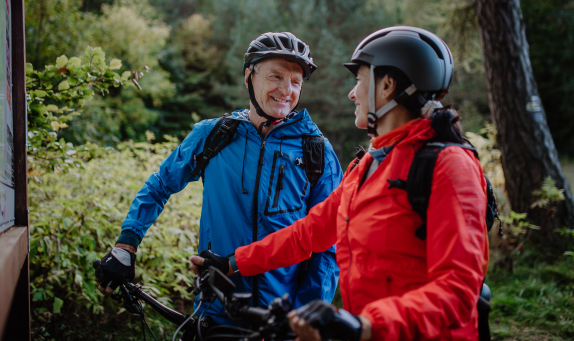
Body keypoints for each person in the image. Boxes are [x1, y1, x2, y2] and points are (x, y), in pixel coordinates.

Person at [190, 27, 489, 340]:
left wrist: (366, 325)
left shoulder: (450, 166)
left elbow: (458, 289)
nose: (352, 93)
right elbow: (308, 234)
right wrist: (232, 263)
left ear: (387, 86)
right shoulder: (368, 167)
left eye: (359, 81)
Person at [94, 32, 342, 325]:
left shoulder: (316, 150)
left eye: (296, 82)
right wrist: (126, 245)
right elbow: (160, 185)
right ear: (249, 77)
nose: (286, 90)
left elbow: (327, 248)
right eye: (276, 77)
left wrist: (305, 315)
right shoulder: (215, 135)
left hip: (281, 318)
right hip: (216, 310)